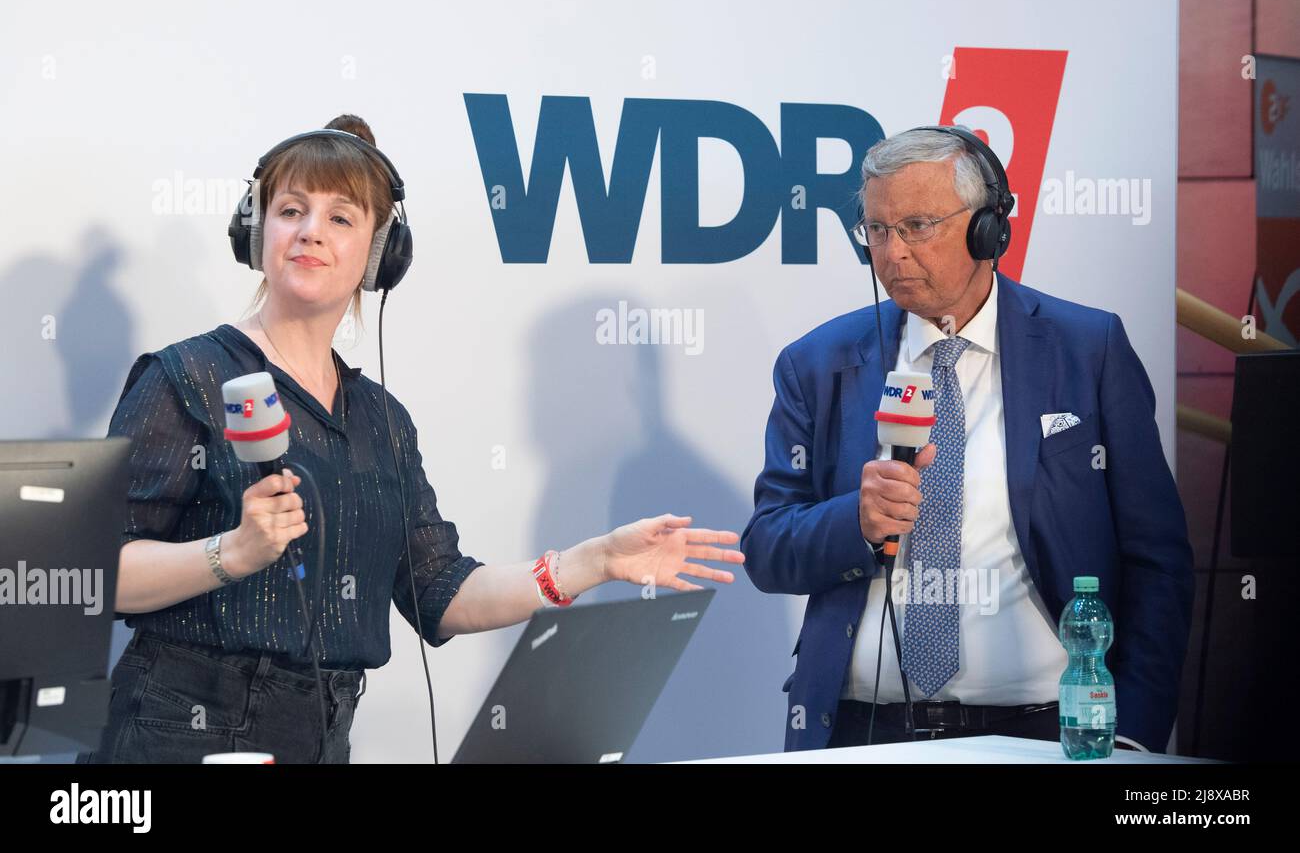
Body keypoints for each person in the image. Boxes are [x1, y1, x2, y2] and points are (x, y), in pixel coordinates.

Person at [80, 114, 743, 764]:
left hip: (323, 736)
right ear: (258, 232)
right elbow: (99, 574)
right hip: (178, 732)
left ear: (378, 254)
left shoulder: (380, 422)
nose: (311, 232)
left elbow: (440, 593)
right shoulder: (185, 377)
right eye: (290, 211)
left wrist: (591, 561)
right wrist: (233, 552)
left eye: (341, 217)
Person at [741, 125, 1193, 753]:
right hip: (862, 733)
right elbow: (767, 546)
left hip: (1045, 733)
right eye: (876, 230)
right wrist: (858, 520)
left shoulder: (1087, 350)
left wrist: (1134, 736)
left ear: (990, 230)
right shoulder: (817, 365)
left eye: (918, 226)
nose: (893, 254)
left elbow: (1157, 561)